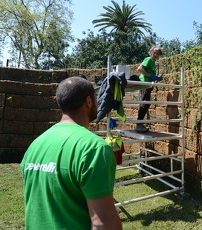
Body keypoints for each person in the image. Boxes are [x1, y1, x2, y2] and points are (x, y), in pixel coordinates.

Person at [20, 77, 122, 230]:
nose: (98, 102)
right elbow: (103, 223)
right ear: (88, 101)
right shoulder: (94, 149)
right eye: (96, 98)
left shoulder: (35, 145)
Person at [136, 45, 163, 133]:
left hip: (148, 85)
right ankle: (139, 124)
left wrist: (155, 78)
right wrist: (151, 76)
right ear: (151, 52)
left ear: (159, 55)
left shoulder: (153, 63)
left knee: (145, 103)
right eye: (154, 53)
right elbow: (140, 69)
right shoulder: (148, 59)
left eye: (157, 53)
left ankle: (139, 123)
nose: (155, 54)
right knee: (145, 103)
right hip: (145, 84)